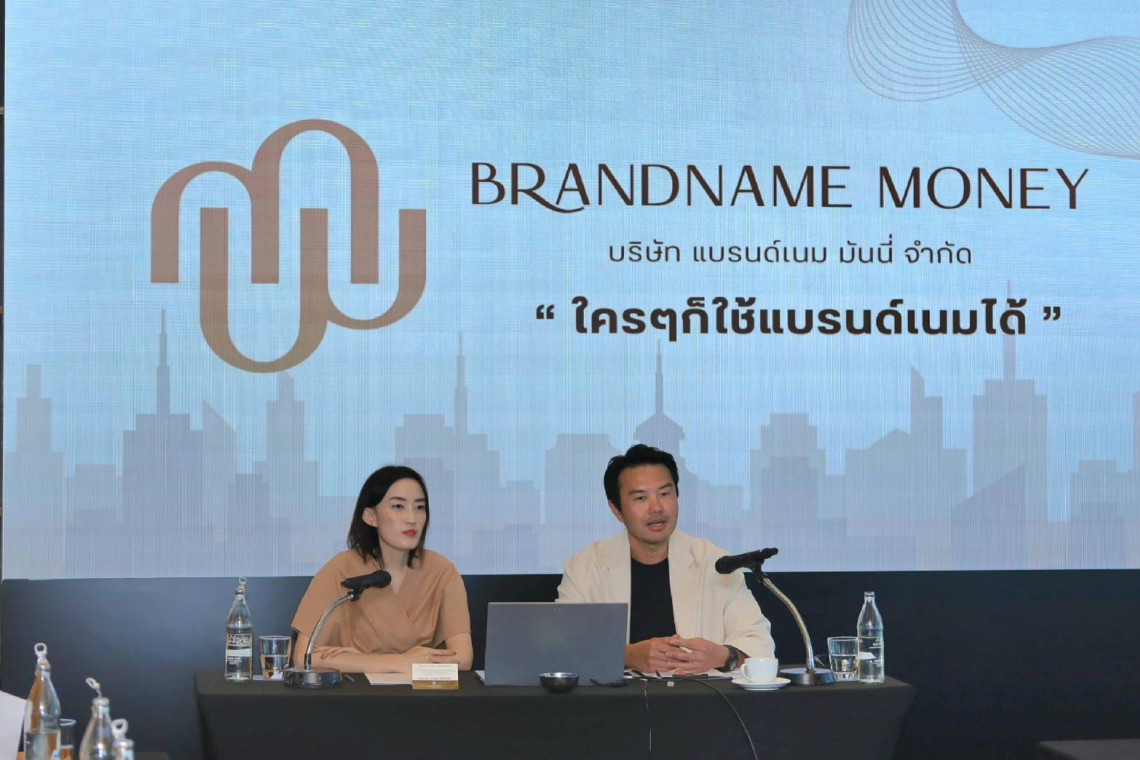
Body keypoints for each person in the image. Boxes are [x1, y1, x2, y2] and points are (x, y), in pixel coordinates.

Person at [557, 444, 775, 675]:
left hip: (701, 695)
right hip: (619, 698)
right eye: (641, 498)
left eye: (664, 494)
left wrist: (723, 656)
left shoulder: (714, 563)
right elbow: (563, 649)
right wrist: (626, 655)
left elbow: (759, 643)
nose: (657, 508)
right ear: (616, 510)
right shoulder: (585, 569)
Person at [291, 465, 473, 673]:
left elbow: (463, 659)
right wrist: (399, 663)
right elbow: (303, 658)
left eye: (420, 507)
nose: (412, 518)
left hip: (422, 691)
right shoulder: (340, 569)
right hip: (357, 692)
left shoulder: (441, 571)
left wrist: (357, 660)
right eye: (398, 506)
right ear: (370, 516)